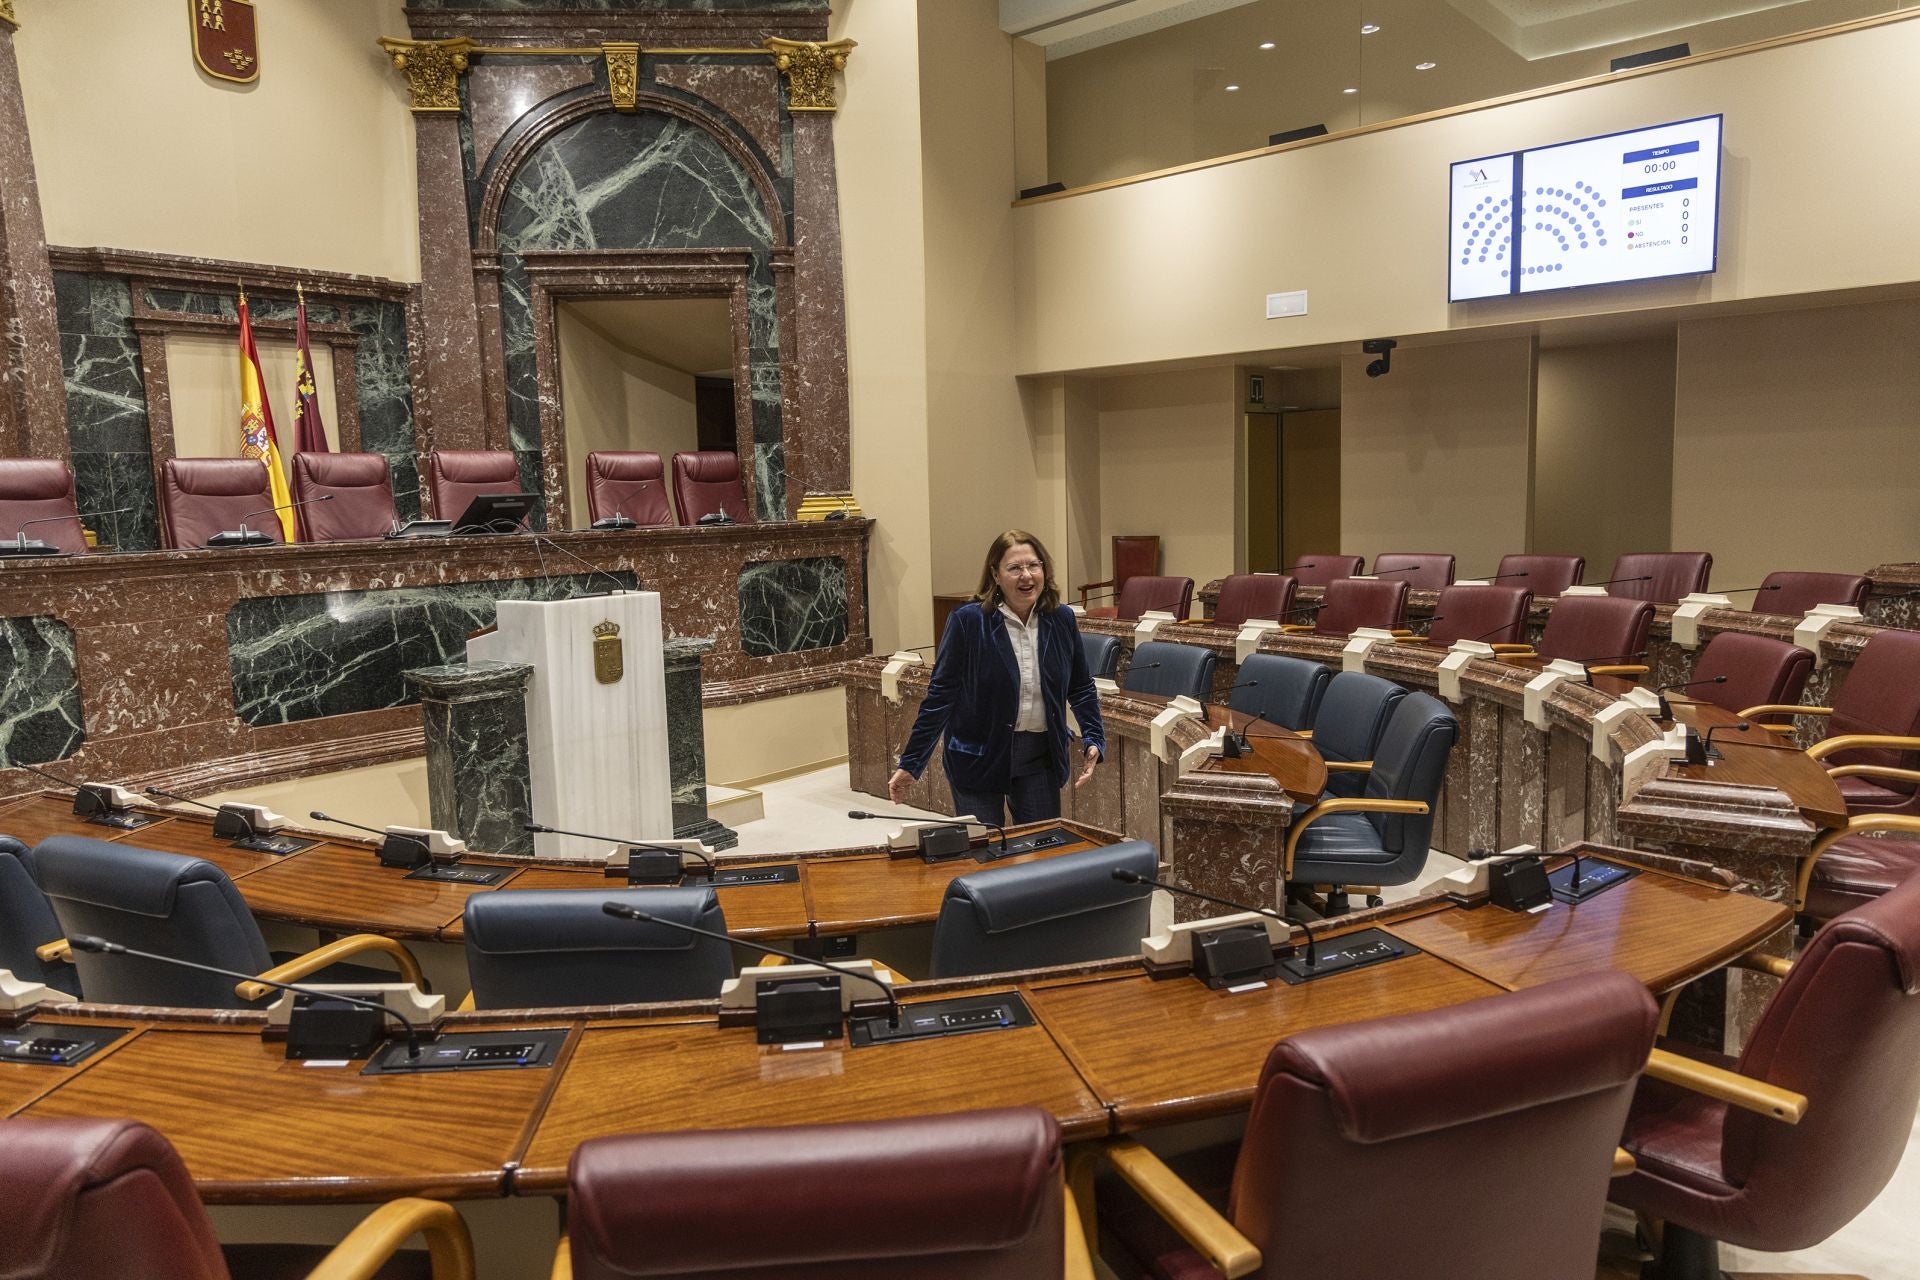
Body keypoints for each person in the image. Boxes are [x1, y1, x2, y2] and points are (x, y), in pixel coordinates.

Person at [890, 529, 1104, 826]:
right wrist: (912, 763)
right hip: (979, 756)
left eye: (1033, 565)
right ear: (995, 575)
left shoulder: (1061, 619)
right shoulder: (968, 621)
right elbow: (941, 697)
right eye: (1014, 568)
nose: (1026, 576)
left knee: (1041, 851)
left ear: (1044, 569)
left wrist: (1094, 736)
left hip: (1040, 756)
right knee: (985, 855)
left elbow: (1080, 686)